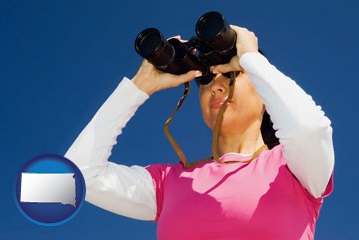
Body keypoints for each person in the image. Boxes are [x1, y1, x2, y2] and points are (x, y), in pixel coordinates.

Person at [64, 26, 334, 239]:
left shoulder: (294, 168)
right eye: (205, 80)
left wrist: (252, 59)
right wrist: (139, 87)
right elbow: (78, 175)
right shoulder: (170, 183)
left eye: (231, 74)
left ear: (265, 93)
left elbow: (310, 129)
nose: (215, 87)